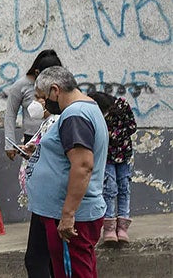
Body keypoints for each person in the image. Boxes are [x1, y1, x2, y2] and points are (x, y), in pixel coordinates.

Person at [24, 66, 108, 278]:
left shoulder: (74, 115)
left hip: (72, 217)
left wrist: (68, 215)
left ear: (55, 90)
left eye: (42, 98)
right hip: (65, 212)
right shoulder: (87, 108)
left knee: (73, 273)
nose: (43, 104)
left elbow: (83, 166)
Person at [90, 91, 137, 245]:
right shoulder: (94, 112)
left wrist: (113, 134)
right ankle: (109, 227)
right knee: (109, 188)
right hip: (107, 156)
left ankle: (122, 227)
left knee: (124, 186)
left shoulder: (122, 105)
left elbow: (132, 127)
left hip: (124, 153)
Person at [6, 50, 62, 160]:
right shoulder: (21, 85)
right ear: (37, 73)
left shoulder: (61, 87)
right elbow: (10, 113)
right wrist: (9, 144)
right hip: (32, 138)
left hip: (56, 137)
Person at [17, 97, 60, 209]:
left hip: (47, 183)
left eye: (39, 97)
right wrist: (31, 151)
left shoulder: (54, 121)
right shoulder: (47, 122)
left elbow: (49, 149)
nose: (35, 101)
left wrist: (34, 150)